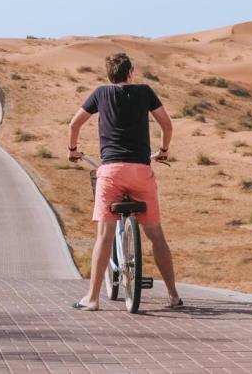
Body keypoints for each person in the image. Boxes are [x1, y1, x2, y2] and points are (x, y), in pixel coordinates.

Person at [67, 52, 182, 311]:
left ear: (110, 75)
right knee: (156, 235)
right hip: (141, 170)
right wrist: (163, 150)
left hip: (111, 172)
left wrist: (73, 150)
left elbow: (74, 124)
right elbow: (167, 125)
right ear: (131, 72)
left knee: (104, 235)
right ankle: (174, 295)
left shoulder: (100, 93)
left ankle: (93, 298)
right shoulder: (145, 92)